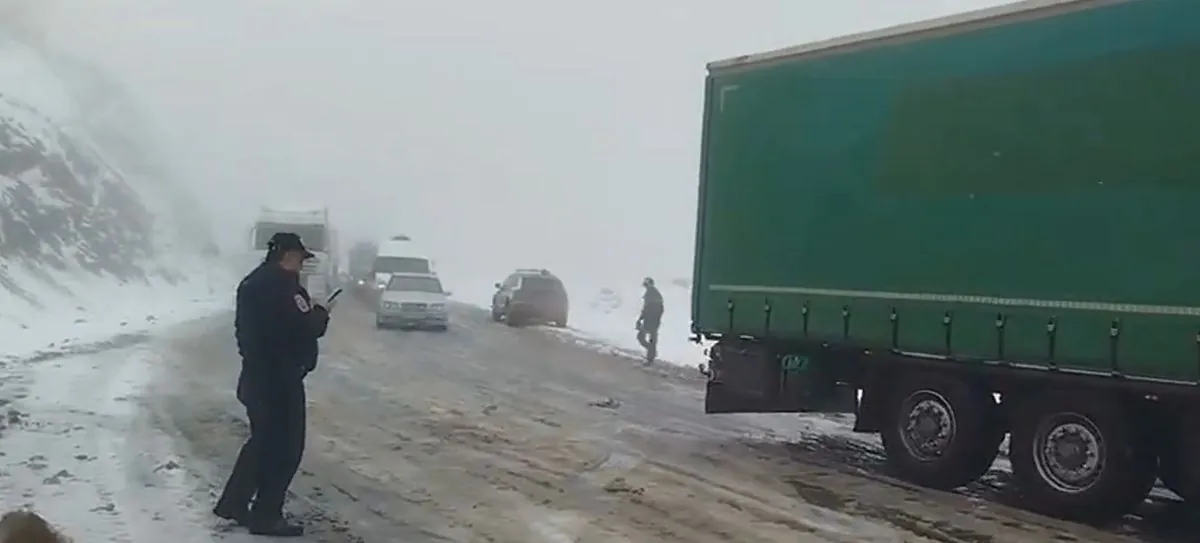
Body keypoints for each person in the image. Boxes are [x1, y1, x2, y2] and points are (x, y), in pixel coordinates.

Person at [213, 232, 332, 537]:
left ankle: (234, 503)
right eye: (298, 258)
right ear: (286, 255)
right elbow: (306, 326)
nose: (300, 265)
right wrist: (321, 314)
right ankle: (267, 515)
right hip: (280, 381)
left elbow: (249, 332)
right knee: (285, 448)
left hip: (257, 377)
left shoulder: (253, 282)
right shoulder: (282, 285)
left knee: (262, 443)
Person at [635, 277, 664, 364]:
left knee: (644, 337)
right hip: (652, 320)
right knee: (650, 338)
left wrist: (641, 318)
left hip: (651, 320)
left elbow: (649, 308)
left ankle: (650, 355)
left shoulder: (652, 293)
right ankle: (651, 353)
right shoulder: (652, 293)